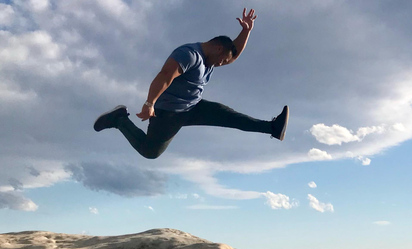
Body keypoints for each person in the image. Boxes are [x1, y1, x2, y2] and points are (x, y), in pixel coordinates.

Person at [94, 8, 288, 159]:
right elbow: (165, 75)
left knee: (231, 117)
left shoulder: (212, 57)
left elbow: (232, 55)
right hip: (168, 114)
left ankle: (272, 127)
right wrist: (149, 103)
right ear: (218, 48)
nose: (222, 64)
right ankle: (119, 119)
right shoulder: (189, 55)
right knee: (150, 152)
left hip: (193, 107)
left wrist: (246, 31)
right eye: (222, 60)